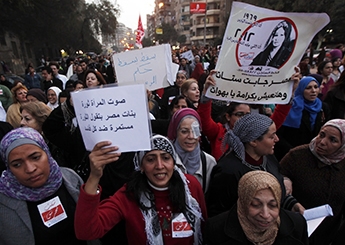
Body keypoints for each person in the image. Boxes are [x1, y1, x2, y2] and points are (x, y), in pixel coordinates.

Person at [75, 134, 206, 244]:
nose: (159, 166)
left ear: (173, 162)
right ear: (141, 166)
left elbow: (205, 227)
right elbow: (86, 231)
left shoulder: (190, 185)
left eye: (166, 158)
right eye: (150, 159)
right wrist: (94, 177)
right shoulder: (128, 195)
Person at [0, 127, 98, 245]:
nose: (30, 169)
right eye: (17, 164)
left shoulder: (70, 178)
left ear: (47, 153)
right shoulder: (4, 202)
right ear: (9, 168)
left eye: (35, 157)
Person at [207, 113, 304, 217]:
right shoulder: (228, 171)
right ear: (253, 141)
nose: (277, 139)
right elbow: (218, 213)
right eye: (271, 136)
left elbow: (276, 190)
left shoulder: (269, 158)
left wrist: (292, 204)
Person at [197, 70, 298, 161]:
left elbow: (277, 119)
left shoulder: (255, 132)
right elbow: (204, 120)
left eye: (247, 115)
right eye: (239, 114)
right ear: (228, 116)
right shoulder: (218, 131)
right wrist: (206, 94)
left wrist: (289, 92)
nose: (244, 118)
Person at [280, 119, 345, 245]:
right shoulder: (297, 156)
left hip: (329, 235)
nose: (322, 142)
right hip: (294, 232)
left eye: (333, 140)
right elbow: (277, 177)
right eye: (322, 134)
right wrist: (284, 180)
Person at [205, 171, 308, 245]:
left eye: (272, 205)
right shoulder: (216, 230)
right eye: (255, 205)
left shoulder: (297, 225)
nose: (265, 214)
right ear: (244, 202)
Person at [275, 76, 330, 161]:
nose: (313, 91)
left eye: (316, 87)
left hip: (315, 155)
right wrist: (293, 152)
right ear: (301, 89)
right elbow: (279, 134)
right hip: (291, 155)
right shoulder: (291, 106)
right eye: (308, 88)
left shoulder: (323, 107)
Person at [167, 108, 216, 193]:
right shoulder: (165, 160)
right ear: (175, 132)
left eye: (195, 131)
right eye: (184, 131)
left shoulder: (209, 162)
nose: (191, 136)